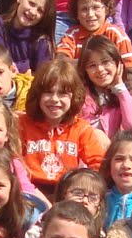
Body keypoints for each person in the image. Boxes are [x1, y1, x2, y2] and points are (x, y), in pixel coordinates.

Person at [19, 57, 107, 196]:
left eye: (62, 93)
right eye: (48, 92)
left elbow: (98, 165)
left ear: (74, 97)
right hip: (30, 191)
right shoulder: (23, 124)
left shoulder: (81, 129)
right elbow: (13, 160)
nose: (54, 99)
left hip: (66, 193)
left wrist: (81, 187)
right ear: (37, 95)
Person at [10, 170, 114, 238]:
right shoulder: (39, 229)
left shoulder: (100, 237)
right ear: (63, 196)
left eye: (93, 197)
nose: (84, 200)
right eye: (78, 193)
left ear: (99, 207)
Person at [55, 0, 132, 88]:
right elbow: (61, 62)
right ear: (77, 14)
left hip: (113, 92)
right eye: (84, 9)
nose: (90, 14)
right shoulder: (72, 35)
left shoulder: (116, 35)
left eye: (96, 7)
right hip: (81, 92)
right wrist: (89, 66)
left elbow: (131, 73)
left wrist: (126, 97)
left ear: (106, 9)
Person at [77, 39, 132, 141]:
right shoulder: (81, 98)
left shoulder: (123, 95)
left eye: (105, 62)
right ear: (85, 70)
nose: (100, 69)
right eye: (92, 65)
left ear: (117, 64)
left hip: (115, 147)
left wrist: (120, 87)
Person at [0, 0, 57, 75]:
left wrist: (14, 68)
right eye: (31, 4)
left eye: (40, 10)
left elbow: (42, 75)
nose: (33, 12)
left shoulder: (41, 41)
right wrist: (26, 65)